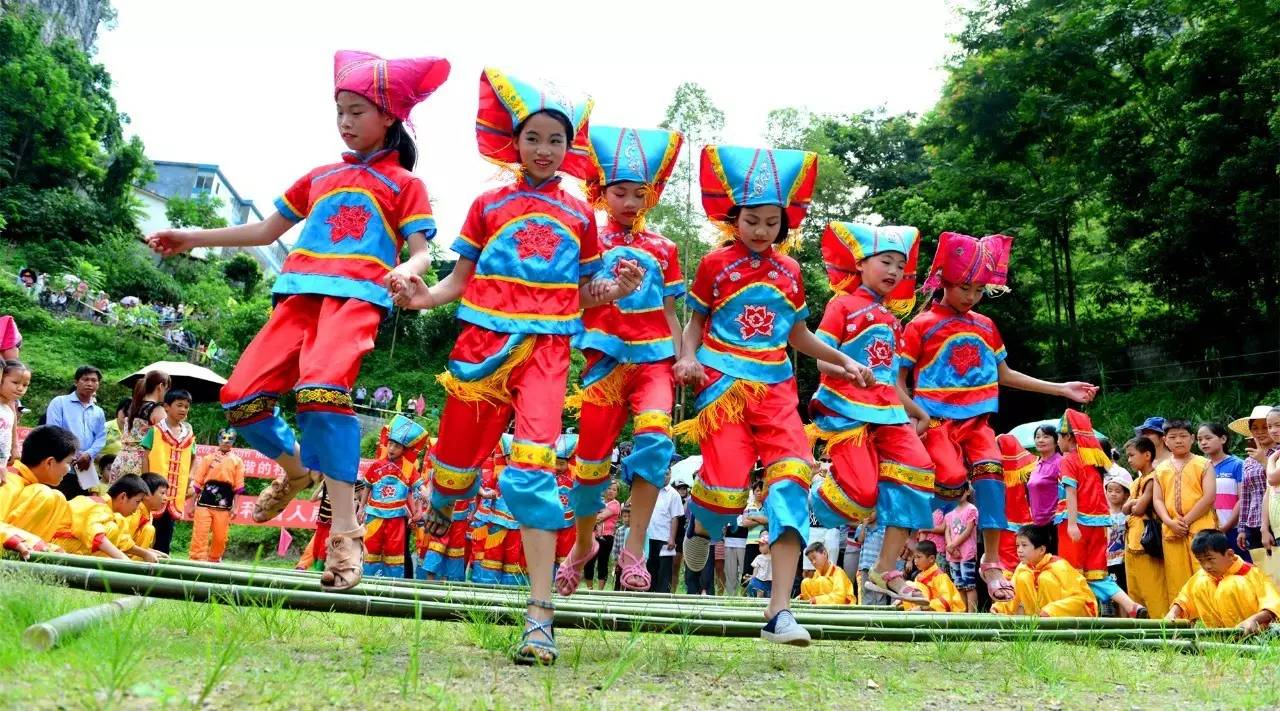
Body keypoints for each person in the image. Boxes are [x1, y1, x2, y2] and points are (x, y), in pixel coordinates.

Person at [147, 51, 451, 594]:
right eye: (340, 110)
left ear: (388, 118)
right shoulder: (321, 176)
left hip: (357, 298)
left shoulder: (406, 184)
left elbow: (423, 250)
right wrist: (192, 238)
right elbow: (266, 232)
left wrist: (407, 268)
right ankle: (295, 470)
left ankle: (345, 532)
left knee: (323, 392)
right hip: (296, 299)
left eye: (357, 110)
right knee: (240, 398)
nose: (345, 120)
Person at [389, 69, 638, 666]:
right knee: (453, 468)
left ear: (568, 146)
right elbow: (457, 280)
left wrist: (616, 287)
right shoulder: (486, 205)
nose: (545, 149)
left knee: (531, 470)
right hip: (480, 345)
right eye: (535, 138)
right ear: (514, 140)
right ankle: (445, 498)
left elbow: (585, 291)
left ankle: (540, 616)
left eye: (556, 139)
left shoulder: (579, 214)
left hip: (548, 352)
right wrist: (420, 297)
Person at [673, 145, 871, 646]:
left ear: (784, 225)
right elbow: (694, 324)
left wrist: (845, 358)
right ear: (734, 218)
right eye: (752, 221)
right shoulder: (714, 265)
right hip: (722, 386)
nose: (761, 231)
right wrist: (688, 357)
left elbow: (798, 336)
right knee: (724, 488)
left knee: (790, 485)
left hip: (778, 388)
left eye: (771, 223)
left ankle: (778, 613)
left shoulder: (790, 272)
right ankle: (701, 528)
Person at [900, 232, 1098, 606]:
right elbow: (898, 377)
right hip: (937, 421)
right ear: (944, 281)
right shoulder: (921, 325)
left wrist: (1061, 389)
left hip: (977, 421)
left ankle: (991, 560)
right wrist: (913, 414)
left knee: (992, 475)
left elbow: (1005, 375)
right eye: (964, 288)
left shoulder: (985, 326)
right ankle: (909, 539)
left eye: (978, 290)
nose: (971, 297)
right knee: (951, 478)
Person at [561, 125, 685, 596]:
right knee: (591, 460)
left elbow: (672, 312)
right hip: (604, 361)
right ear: (601, 191)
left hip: (654, 362)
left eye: (639, 193)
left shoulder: (664, 249)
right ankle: (582, 544)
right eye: (620, 192)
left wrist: (684, 357)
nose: (630, 201)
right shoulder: (588, 241)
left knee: (655, 441)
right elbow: (576, 300)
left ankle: (633, 549)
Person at [805, 222, 935, 606]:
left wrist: (918, 411)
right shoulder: (841, 305)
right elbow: (821, 361)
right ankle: (815, 493)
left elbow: (891, 381)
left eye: (901, 265)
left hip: (889, 411)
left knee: (917, 474)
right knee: (861, 494)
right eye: (886, 261)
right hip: (847, 410)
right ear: (860, 264)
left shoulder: (895, 321)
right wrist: (848, 368)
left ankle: (885, 570)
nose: (894, 271)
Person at [1056, 409, 1147, 617]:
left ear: (1068, 437)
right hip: (1098, 525)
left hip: (1075, 522)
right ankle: (1131, 606)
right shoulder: (1095, 459)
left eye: (1059, 436)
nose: (1058, 442)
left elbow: (1071, 491)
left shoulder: (1069, 459)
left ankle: (1079, 618)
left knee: (1072, 574)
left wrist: (1071, 524)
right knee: (1097, 576)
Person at [1152, 419, 1218, 603]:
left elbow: (1209, 496)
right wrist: (1169, 522)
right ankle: (1183, 622)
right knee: (1176, 576)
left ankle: (1212, 619)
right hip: (1172, 529)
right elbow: (1157, 499)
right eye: (1173, 437)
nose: (1178, 440)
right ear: (1165, 440)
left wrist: (1186, 520)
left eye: (1183, 436)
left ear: (1192, 438)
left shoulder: (1203, 464)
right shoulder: (1160, 469)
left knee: (1206, 571)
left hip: (1200, 526)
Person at [1165, 530, 1280, 636]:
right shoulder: (1203, 575)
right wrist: (1173, 613)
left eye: (1210, 559)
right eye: (1201, 561)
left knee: (1230, 585)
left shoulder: (1252, 573)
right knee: (1201, 582)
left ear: (1229, 555)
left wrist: (1254, 620)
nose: (1206, 566)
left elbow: (1272, 604)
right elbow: (1185, 597)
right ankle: (1217, 636)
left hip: (1253, 632)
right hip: (1218, 635)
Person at [361, 415, 429, 578]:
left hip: (397, 518)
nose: (391, 449)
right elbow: (367, 487)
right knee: (371, 548)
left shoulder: (409, 468)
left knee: (394, 552)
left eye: (396, 446)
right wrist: (361, 507)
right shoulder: (376, 465)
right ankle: (366, 581)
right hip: (375, 515)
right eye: (390, 444)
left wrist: (427, 495)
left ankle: (392, 585)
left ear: (403, 449)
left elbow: (419, 486)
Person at [0, 425, 78, 556]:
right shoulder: (9, 481)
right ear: (50, 462)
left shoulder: (27, 484)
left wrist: (48, 547)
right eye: (68, 462)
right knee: (45, 495)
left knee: (56, 497)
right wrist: (26, 541)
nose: (69, 469)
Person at [997, 525, 1098, 617]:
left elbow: (1079, 598)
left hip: (1078, 611)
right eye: (1018, 546)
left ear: (1041, 550)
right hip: (1043, 614)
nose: (1019, 550)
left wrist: (1051, 611)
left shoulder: (1059, 566)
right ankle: (1035, 620)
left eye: (1024, 545)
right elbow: (1013, 591)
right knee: (1023, 577)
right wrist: (999, 607)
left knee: (1046, 578)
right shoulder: (1023, 567)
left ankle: (1052, 624)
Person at [1121, 437, 1170, 617]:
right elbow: (1126, 508)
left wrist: (1133, 503)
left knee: (1153, 589)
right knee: (1135, 589)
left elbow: (1139, 508)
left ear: (1147, 455)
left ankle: (1159, 628)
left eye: (1132, 455)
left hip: (1146, 543)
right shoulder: (1136, 481)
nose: (1129, 459)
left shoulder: (1153, 478)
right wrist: (1133, 503)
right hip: (1132, 541)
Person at [142, 389, 195, 554]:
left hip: (175, 492)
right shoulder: (155, 431)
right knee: (148, 527)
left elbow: (193, 457)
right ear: (166, 407)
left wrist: (189, 480)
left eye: (186, 406)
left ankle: (161, 565)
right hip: (154, 488)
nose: (183, 409)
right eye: (179, 405)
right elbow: (145, 456)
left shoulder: (189, 434)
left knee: (167, 531)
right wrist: (145, 482)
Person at [55, 474, 152, 560]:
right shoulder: (95, 504)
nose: (137, 508)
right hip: (59, 546)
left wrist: (145, 553)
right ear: (123, 497)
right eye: (137, 502)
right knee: (111, 529)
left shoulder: (113, 514)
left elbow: (123, 542)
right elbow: (97, 537)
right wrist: (125, 561)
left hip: (73, 546)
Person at [45, 365, 108, 492]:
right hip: (61, 463)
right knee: (56, 501)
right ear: (76, 382)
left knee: (79, 505)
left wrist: (88, 454)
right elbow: (53, 431)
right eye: (85, 379)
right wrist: (75, 454)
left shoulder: (98, 412)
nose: (90, 383)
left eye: (94, 380)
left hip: (85, 469)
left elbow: (101, 437)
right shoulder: (60, 403)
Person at [189, 429, 245, 563]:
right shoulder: (208, 458)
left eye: (229, 439)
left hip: (224, 503)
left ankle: (214, 559)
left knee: (221, 537)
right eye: (223, 438)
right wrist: (191, 505)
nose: (226, 442)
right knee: (200, 534)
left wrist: (235, 507)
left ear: (233, 441)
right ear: (218, 439)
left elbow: (238, 487)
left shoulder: (237, 461)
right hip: (205, 501)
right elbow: (197, 483)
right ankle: (196, 559)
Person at [1199, 422, 1247, 560]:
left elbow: (1242, 498)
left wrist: (1226, 527)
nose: (1203, 442)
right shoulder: (1200, 466)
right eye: (1200, 439)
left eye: (1208, 438)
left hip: (1234, 529)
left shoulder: (1237, 464)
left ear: (1223, 439)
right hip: (1208, 531)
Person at [1233, 405, 1277, 555]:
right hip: (1253, 522)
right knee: (1263, 572)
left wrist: (1264, 460)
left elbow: (1273, 482)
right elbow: (1246, 495)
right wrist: (1241, 528)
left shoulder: (1277, 454)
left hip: (1275, 519)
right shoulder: (1248, 461)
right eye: (1255, 428)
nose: (1260, 432)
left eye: (1266, 427)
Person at [112, 370, 170, 481]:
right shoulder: (157, 409)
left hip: (121, 460)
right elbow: (167, 437)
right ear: (161, 386)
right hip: (141, 464)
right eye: (167, 389)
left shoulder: (134, 405)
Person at [997, 433, 1037, 573]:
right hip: (1024, 520)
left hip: (1004, 523)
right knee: (1026, 558)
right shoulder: (1027, 470)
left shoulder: (997, 474)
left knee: (1008, 562)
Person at [901, 540, 966, 613]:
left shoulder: (940, 577)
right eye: (914, 557)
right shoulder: (919, 576)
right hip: (928, 610)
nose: (915, 561)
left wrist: (924, 607)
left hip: (951, 614)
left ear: (931, 559)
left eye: (918, 557)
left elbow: (947, 600)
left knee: (912, 585)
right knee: (908, 586)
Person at [647, 473, 684, 595]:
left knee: (664, 570)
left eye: (667, 474)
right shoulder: (651, 490)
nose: (664, 476)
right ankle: (648, 594)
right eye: (662, 473)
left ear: (670, 475)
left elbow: (675, 518)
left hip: (665, 538)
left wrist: (672, 538)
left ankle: (662, 597)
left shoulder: (674, 494)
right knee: (650, 567)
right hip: (649, 536)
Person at [944, 485, 979, 611]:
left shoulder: (971, 509)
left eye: (959, 491)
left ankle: (972, 615)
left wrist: (953, 545)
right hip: (953, 554)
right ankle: (962, 612)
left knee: (969, 585)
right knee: (959, 585)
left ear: (967, 491)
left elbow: (968, 530)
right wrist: (950, 546)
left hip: (967, 552)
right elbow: (947, 531)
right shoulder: (949, 514)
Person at [1026, 424, 1063, 540]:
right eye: (1037, 437)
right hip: (1036, 523)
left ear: (1056, 441)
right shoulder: (1035, 464)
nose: (1040, 440)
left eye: (1046, 437)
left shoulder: (1060, 463)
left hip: (1054, 523)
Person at [584, 481, 622, 591]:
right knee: (589, 562)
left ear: (617, 493)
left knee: (602, 562)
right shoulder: (598, 501)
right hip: (593, 536)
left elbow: (598, 518)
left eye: (614, 490)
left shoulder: (615, 504)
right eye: (609, 488)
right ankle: (589, 589)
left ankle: (600, 591)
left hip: (606, 537)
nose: (611, 491)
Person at [1104, 469, 1132, 593]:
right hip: (1107, 560)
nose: (1113, 494)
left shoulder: (1128, 515)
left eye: (1117, 491)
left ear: (1125, 494)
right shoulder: (1103, 515)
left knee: (1124, 590)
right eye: (1110, 491)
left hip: (1124, 560)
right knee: (1112, 593)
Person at [0, 361, 31, 467]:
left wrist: (14, 446)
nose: (20, 388)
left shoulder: (10, 407)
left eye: (25, 385)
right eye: (15, 382)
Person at [745, 533, 773, 598]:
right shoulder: (759, 557)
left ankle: (764, 595)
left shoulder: (774, 557)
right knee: (753, 585)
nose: (760, 548)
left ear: (770, 546)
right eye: (759, 546)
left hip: (771, 581)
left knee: (769, 594)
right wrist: (753, 577)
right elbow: (756, 569)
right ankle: (757, 595)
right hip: (759, 579)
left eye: (762, 545)